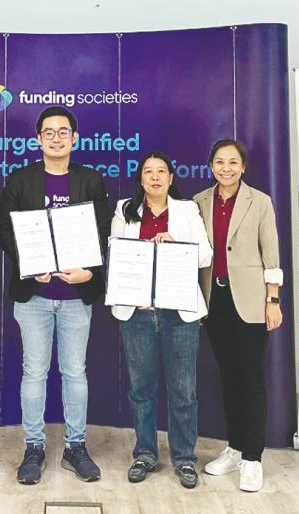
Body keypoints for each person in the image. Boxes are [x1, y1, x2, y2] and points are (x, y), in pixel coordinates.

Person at [0, 106, 109, 485]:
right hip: (34, 296)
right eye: (49, 132)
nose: (56, 138)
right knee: (34, 372)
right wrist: (30, 264)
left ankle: (76, 447)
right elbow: (6, 231)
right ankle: (34, 448)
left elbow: (103, 230)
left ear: (75, 139)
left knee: (75, 372)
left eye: (64, 132)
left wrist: (90, 270)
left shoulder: (90, 180)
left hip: (77, 295)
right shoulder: (21, 179)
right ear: (38, 139)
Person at [109, 151, 212, 489]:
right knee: (141, 389)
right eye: (148, 172)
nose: (154, 177)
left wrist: (176, 245)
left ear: (170, 178)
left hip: (178, 314)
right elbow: (115, 255)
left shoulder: (187, 210)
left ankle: (184, 458)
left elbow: (206, 254)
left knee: (183, 390)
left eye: (161, 172)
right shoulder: (125, 210)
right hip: (137, 315)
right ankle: (145, 453)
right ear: (140, 179)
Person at [193, 139, 283, 493]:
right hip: (214, 301)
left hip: (250, 300)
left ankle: (253, 458)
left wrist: (272, 300)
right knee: (228, 376)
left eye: (233, 162)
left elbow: (271, 254)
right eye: (219, 162)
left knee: (251, 378)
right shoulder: (199, 201)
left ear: (243, 167)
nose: (226, 168)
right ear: (211, 165)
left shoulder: (259, 202)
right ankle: (234, 447)